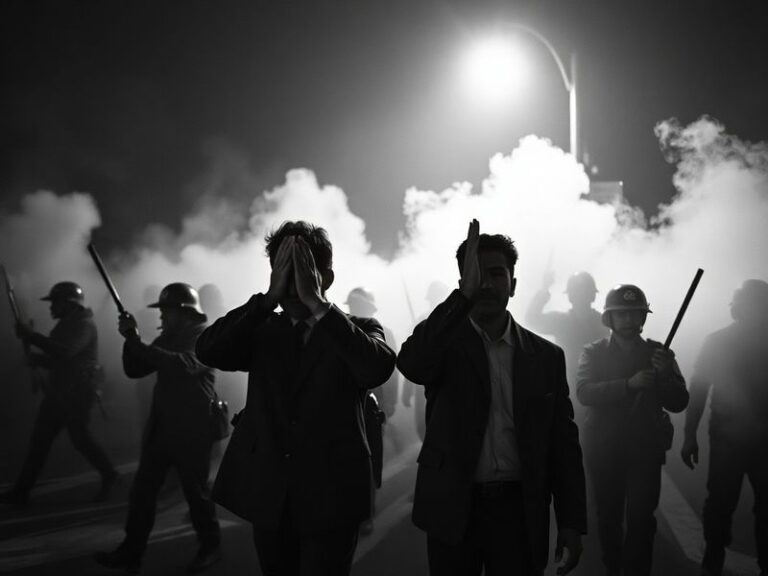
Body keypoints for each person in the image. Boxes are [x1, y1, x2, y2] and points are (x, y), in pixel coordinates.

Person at [195, 221, 396, 576]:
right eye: (282, 273)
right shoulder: (262, 327)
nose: (291, 285)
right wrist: (267, 300)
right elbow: (208, 350)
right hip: (271, 492)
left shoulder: (359, 328)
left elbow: (376, 369)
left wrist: (318, 305)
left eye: (301, 273)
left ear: (327, 278)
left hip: (332, 496)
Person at [397, 220, 586, 576]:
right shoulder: (444, 344)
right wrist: (461, 299)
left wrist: (571, 521)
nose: (487, 283)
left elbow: (563, 445)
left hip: (520, 511)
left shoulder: (546, 356)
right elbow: (411, 364)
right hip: (454, 508)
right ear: (462, 284)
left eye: (497, 274)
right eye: (476, 276)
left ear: (513, 284)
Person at [94, 283, 221, 574]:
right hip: (163, 428)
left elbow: (183, 365)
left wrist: (137, 342)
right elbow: (136, 369)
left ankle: (210, 546)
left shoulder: (204, 336)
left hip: (193, 429)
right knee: (142, 493)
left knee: (197, 494)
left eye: (166, 310)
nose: (161, 316)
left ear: (184, 312)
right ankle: (131, 552)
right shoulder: (169, 337)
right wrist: (130, 339)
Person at [577, 284, 689, 576]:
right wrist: (629, 385)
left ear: (643, 317)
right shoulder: (593, 352)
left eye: (634, 313)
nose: (628, 319)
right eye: (621, 314)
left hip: (645, 449)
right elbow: (584, 392)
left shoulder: (659, 354)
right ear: (609, 319)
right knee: (608, 518)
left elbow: (679, 401)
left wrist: (664, 376)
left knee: (641, 518)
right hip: (605, 448)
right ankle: (613, 568)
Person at [0, 281, 117, 507]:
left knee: (80, 440)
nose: (51, 307)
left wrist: (32, 336)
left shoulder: (83, 324)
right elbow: (60, 360)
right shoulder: (67, 324)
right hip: (60, 392)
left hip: (77, 394)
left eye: (55, 302)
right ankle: (21, 492)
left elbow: (65, 353)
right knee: (40, 442)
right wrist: (37, 359)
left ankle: (110, 474)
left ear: (69, 304)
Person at [681, 279, 768, 576]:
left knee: (721, 503)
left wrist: (689, 434)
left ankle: (714, 559)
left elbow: (699, 388)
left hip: (733, 437)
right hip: (733, 436)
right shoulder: (718, 341)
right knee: (724, 503)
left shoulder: (718, 340)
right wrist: (689, 433)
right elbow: (700, 387)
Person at [525, 270, 608, 390]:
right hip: (572, 385)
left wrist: (545, 288)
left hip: (591, 387)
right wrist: (544, 289)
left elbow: (531, 319)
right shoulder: (604, 321)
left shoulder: (602, 322)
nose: (581, 296)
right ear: (593, 295)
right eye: (579, 293)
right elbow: (531, 319)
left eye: (583, 293)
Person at [401, 280, 451, 442]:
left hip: (448, 380)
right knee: (423, 425)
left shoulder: (456, 319)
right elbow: (412, 354)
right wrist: (407, 390)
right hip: (422, 381)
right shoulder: (421, 321)